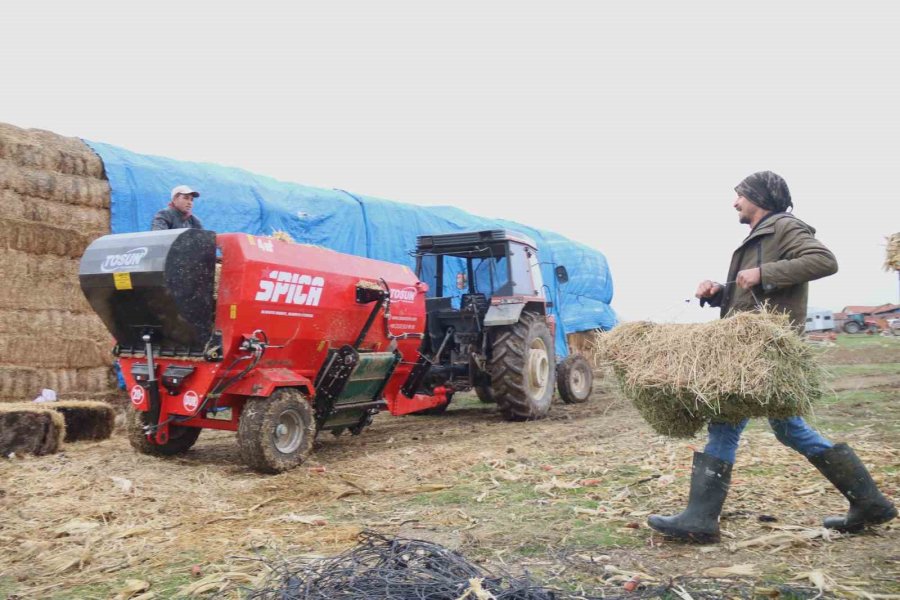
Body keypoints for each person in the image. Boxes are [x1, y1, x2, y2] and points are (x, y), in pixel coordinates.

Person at [647, 171, 897, 543]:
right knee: (788, 428)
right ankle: (870, 502)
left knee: (726, 421)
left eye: (739, 197)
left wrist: (764, 273)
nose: (734, 203)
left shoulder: (784, 227)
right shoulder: (759, 237)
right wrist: (718, 292)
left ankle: (699, 519)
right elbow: (747, 293)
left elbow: (824, 261)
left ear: (758, 197)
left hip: (764, 352)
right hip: (753, 350)